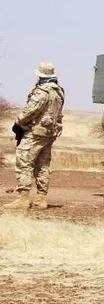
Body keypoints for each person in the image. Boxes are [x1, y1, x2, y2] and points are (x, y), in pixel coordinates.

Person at [3, 62, 65, 210]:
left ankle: (23, 199)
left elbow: (30, 111)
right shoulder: (59, 91)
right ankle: (41, 199)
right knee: (43, 165)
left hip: (36, 132)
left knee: (24, 161)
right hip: (49, 133)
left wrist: (19, 122)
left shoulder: (42, 91)